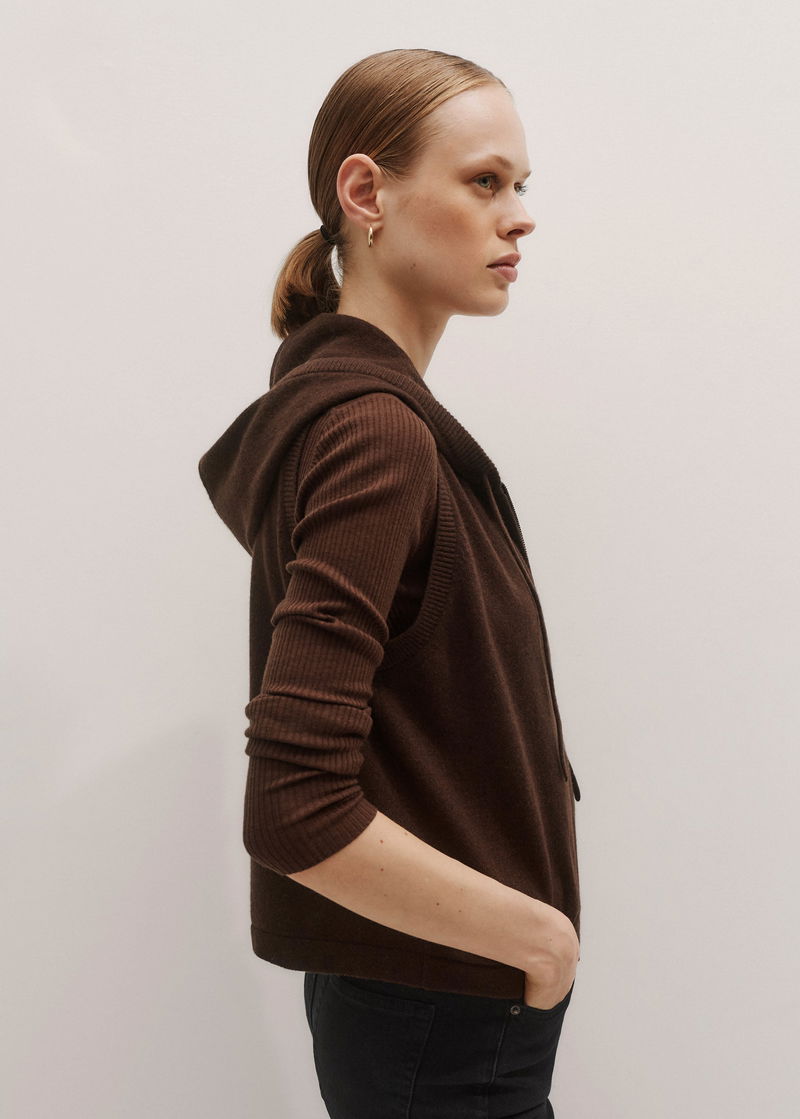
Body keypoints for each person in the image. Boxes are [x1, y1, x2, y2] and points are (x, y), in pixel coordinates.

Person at [198, 47, 582, 1119]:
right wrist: (538, 937)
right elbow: (295, 805)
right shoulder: (376, 433)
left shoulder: (352, 415)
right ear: (365, 193)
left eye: (520, 185)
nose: (520, 217)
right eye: (483, 181)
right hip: (443, 1007)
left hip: (418, 996)